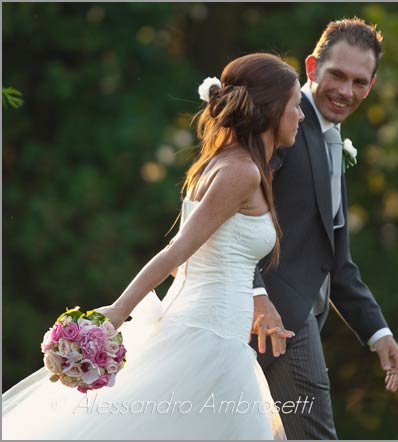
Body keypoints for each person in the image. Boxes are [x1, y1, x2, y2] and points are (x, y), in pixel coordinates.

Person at [2, 52, 304, 440]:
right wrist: (117, 312)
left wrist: (250, 300)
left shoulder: (222, 162)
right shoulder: (241, 172)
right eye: (296, 106)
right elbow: (177, 251)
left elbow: (192, 262)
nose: (301, 115)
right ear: (273, 107)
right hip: (209, 341)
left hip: (210, 330)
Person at [250, 17, 398, 439]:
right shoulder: (280, 125)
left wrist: (378, 332)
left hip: (294, 322)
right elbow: (230, 217)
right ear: (312, 68)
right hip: (277, 320)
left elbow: (336, 262)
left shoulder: (332, 141)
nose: (345, 91)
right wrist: (256, 294)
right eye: (337, 75)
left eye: (359, 82)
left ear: (370, 86)